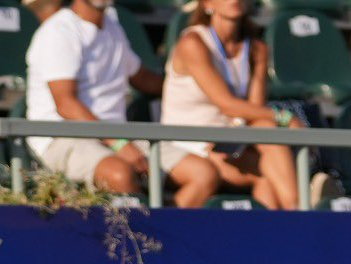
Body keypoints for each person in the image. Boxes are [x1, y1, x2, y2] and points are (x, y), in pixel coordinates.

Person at [25, 0, 218, 206]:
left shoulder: (112, 26)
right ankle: (145, 234)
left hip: (117, 136)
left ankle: (163, 230)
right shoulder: (58, 31)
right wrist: (118, 143)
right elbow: (66, 105)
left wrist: (198, 88)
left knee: (203, 174)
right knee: (120, 174)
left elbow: (142, 79)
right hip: (61, 136)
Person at [162, 0, 299, 210]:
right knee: (266, 172)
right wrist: (285, 118)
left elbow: (254, 112)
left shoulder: (256, 49)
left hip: (230, 140)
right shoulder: (193, 42)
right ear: (207, 4)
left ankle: (291, 218)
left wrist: (270, 123)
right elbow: (226, 105)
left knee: (267, 132)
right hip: (188, 143)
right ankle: (300, 212)